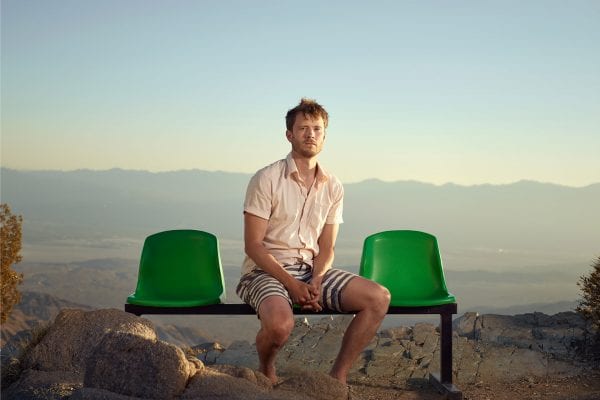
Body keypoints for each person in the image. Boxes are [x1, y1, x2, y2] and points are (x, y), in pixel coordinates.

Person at [236, 98, 391, 384]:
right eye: (303, 128)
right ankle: (266, 369)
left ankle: (337, 377)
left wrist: (317, 280)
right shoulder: (266, 179)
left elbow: (327, 246)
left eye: (317, 129)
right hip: (263, 271)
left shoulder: (333, 185)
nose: (311, 134)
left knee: (378, 298)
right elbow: (253, 246)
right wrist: (292, 285)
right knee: (281, 326)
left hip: (309, 270)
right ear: (289, 135)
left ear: (325, 135)